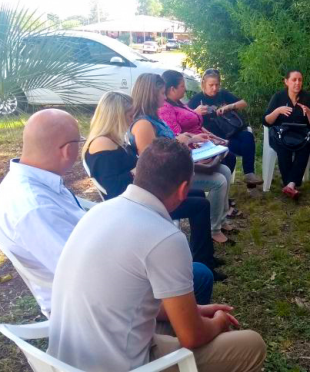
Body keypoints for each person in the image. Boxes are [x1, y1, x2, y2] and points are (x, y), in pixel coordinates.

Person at [48, 138, 266, 372]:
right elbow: (192, 337)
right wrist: (218, 323)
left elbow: (130, 301)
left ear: (137, 174)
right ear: (184, 189)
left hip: (67, 360)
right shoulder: (166, 238)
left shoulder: (98, 211)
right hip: (123, 365)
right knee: (252, 345)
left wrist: (196, 311)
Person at [83, 91, 224, 281]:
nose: (131, 119)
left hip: (141, 196)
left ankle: (203, 257)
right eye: (129, 115)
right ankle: (204, 262)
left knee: (198, 195)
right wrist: (137, 170)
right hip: (134, 207)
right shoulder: (102, 145)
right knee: (200, 206)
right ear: (115, 115)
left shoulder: (110, 139)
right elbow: (116, 189)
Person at [0, 109, 85, 316]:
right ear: (67, 150)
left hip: (89, 281)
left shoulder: (34, 179)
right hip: (87, 307)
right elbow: (83, 275)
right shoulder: (35, 207)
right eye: (79, 142)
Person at [129, 73, 237, 244]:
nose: (165, 97)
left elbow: (171, 137)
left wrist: (191, 139)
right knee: (219, 181)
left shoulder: (154, 117)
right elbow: (151, 164)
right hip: (166, 179)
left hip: (177, 168)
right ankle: (213, 228)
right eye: (162, 93)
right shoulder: (143, 124)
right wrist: (179, 143)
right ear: (151, 94)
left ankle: (221, 220)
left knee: (224, 170)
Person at [187, 69, 263, 192]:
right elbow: (186, 119)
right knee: (237, 149)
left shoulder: (223, 94)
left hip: (232, 131)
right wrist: (196, 112)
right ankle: (245, 185)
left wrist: (229, 106)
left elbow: (243, 103)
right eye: (211, 85)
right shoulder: (197, 99)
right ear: (203, 84)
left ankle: (249, 175)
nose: (214, 88)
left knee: (247, 136)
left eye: (217, 84)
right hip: (215, 139)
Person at [262, 69, 310, 199]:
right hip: (281, 134)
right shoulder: (278, 97)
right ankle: (291, 184)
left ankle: (290, 184)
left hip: (302, 134)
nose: (297, 83)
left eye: (300, 80)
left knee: (305, 147)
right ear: (286, 81)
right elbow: (266, 121)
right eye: (294, 80)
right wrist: (278, 111)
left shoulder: (308, 97)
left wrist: (309, 112)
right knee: (283, 147)